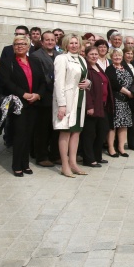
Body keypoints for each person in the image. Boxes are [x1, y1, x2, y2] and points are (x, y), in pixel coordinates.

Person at [0, 34, 46, 177]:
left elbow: (43, 81)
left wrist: (38, 95)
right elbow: (7, 82)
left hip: (34, 103)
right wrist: (24, 94)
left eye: (22, 44)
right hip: (19, 103)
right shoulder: (8, 62)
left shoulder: (35, 61)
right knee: (19, 134)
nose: (20, 46)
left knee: (29, 134)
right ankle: (16, 165)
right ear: (13, 47)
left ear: (27, 46)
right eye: (16, 44)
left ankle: (25, 163)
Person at [53, 34, 89, 178]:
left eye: (76, 43)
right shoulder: (61, 58)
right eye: (71, 43)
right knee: (65, 130)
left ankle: (73, 163)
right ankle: (65, 164)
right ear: (66, 45)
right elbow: (58, 82)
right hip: (67, 99)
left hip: (80, 98)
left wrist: (89, 84)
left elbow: (85, 79)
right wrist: (62, 104)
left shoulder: (82, 59)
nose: (74, 45)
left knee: (76, 131)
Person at [80, 44, 112, 168]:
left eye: (96, 54)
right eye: (91, 54)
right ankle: (88, 158)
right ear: (86, 56)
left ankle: (97, 156)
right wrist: (89, 106)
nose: (94, 56)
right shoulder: (86, 69)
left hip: (103, 105)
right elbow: (86, 89)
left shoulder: (98, 66)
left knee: (102, 131)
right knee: (90, 133)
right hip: (92, 106)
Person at [32, 31, 58, 167]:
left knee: (56, 128)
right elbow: (42, 77)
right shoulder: (36, 56)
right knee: (42, 129)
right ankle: (41, 156)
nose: (50, 42)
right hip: (44, 97)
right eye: (47, 40)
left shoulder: (59, 55)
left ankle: (55, 154)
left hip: (58, 97)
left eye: (52, 40)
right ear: (42, 42)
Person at [105, 49, 133, 157]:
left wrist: (132, 92)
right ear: (111, 57)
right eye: (115, 56)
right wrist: (128, 92)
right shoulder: (110, 69)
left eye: (119, 56)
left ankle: (121, 147)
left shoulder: (125, 68)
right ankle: (111, 148)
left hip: (126, 102)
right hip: (116, 100)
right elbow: (114, 84)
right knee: (114, 125)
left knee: (124, 124)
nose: (117, 57)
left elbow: (132, 80)